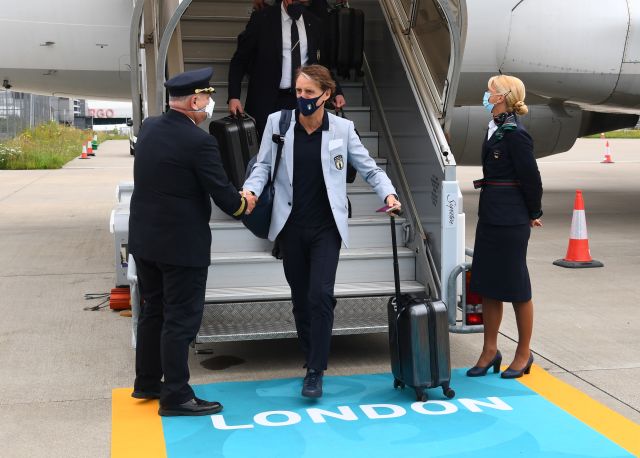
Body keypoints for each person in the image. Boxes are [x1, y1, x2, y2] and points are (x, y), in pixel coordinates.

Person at [242, 65, 401, 398]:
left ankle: (316, 369)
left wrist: (388, 194)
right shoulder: (279, 123)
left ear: (326, 94)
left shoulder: (342, 129)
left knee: (320, 295)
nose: (302, 98)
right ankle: (309, 352)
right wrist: (251, 191)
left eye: (309, 92)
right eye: (298, 91)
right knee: (301, 299)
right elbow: (263, 166)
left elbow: (370, 169)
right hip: (290, 226)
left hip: (326, 228)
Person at [128, 67, 257, 416]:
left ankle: (148, 382)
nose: (210, 104)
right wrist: (245, 202)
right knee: (181, 319)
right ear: (195, 101)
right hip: (181, 247)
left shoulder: (150, 127)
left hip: (145, 240)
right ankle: (176, 395)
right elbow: (226, 198)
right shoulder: (199, 142)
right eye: (207, 97)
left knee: (154, 311)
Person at [467, 74, 543, 379]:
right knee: (487, 284)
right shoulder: (495, 129)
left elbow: (531, 177)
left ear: (501, 97)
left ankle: (524, 353)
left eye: (490, 91)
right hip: (490, 215)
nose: (486, 95)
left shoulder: (515, 134)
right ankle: (490, 350)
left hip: (511, 219)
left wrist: (533, 211)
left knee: (516, 287)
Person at [228, 0, 346, 135]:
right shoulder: (262, 19)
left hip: (302, 100)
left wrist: (337, 92)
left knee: (300, 145)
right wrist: (234, 96)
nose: (298, 3)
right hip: (267, 100)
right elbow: (240, 59)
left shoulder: (314, 23)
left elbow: (322, 64)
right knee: (267, 146)